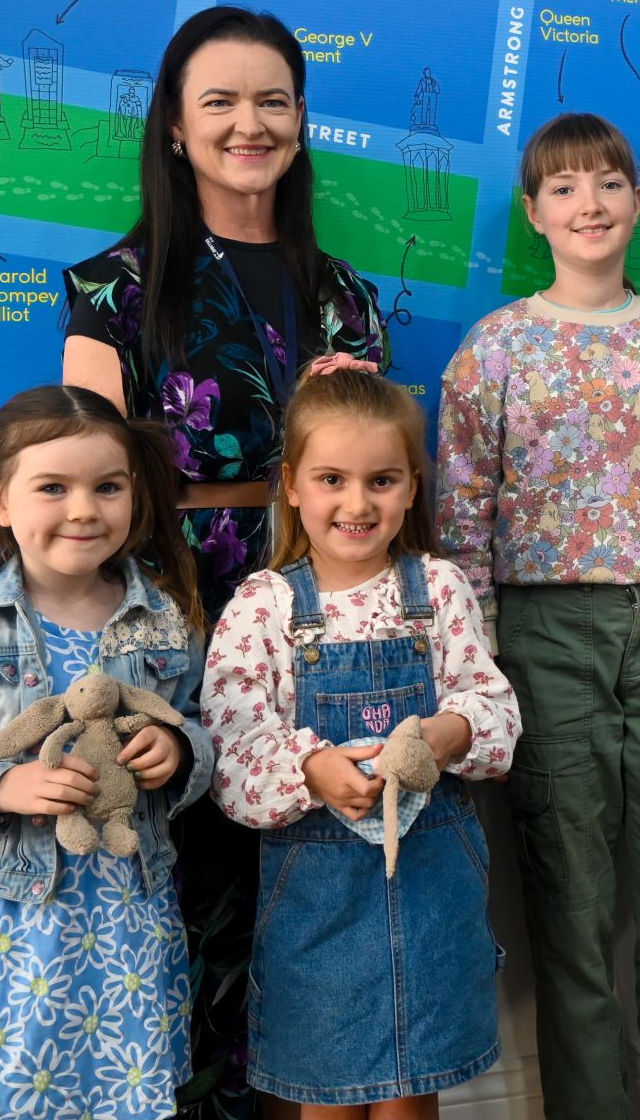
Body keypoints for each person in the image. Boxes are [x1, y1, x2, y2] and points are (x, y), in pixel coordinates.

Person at [62, 5, 387, 1115]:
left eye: (273, 102)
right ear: (173, 125)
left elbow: (382, 471)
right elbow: (85, 488)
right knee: (199, 909)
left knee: (324, 903)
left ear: (300, 121)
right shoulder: (113, 286)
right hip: (181, 619)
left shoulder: (344, 292)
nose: (249, 124)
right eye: (221, 102)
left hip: (336, 624)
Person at [438, 112, 640, 1120]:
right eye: (564, 188)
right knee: (567, 912)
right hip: (540, 640)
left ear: (635, 200)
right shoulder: (491, 350)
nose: (589, 203)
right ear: (533, 214)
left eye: (607, 182)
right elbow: (461, 522)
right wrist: (479, 672)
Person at [0, 385, 211, 1120]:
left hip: (129, 924)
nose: (84, 509)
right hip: (8, 934)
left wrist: (180, 752)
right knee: (9, 1098)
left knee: (128, 1100)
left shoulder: (164, 620)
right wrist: (0, 786)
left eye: (107, 486)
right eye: (53, 487)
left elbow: (197, 727)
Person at [203, 357, 520, 1117]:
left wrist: (445, 735)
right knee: (330, 1096)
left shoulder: (438, 588)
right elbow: (233, 747)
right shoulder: (263, 605)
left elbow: (494, 708)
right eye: (332, 478)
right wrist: (311, 767)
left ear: (412, 486)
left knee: (413, 1093)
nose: (357, 501)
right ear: (292, 485)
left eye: (382, 480)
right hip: (321, 908)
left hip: (433, 890)